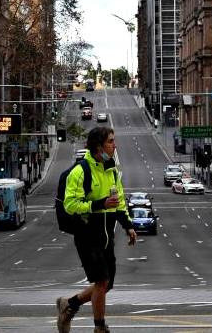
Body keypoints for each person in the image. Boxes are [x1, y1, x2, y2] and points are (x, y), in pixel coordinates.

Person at [56, 126, 137, 333]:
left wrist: (128, 226)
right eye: (110, 141)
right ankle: (100, 328)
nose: (114, 145)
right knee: (101, 281)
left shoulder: (111, 170)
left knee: (106, 284)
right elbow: (70, 205)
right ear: (98, 147)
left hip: (107, 236)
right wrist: (99, 204)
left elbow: (118, 201)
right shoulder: (80, 171)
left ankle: (70, 304)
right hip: (87, 235)